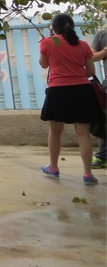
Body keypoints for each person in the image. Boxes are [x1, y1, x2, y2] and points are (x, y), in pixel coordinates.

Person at [38, 13, 102, 185]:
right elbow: (90, 72)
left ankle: (53, 167)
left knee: (55, 132)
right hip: (82, 91)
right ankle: (88, 174)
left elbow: (44, 64)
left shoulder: (48, 43)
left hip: (57, 91)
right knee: (83, 134)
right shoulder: (82, 45)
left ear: (54, 28)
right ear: (73, 27)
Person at [90, 28, 107, 169]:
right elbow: (92, 56)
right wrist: (104, 52)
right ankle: (103, 156)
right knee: (106, 119)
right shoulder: (102, 34)